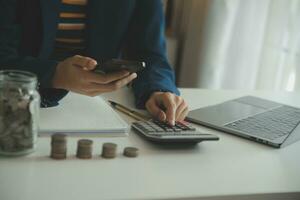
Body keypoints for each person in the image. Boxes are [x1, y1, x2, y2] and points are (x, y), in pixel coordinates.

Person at [0, 0, 188, 125]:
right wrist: (54, 74)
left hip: (97, 114)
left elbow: (150, 53)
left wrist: (158, 89)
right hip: (20, 107)